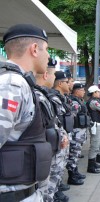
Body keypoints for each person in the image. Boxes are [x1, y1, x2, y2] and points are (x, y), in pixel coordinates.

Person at [0, 24, 52, 202]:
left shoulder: (19, 82)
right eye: (47, 49)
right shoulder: (12, 84)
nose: (49, 56)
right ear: (35, 49)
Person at [52, 71, 85, 186]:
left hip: (67, 133)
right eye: (68, 82)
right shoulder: (54, 97)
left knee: (64, 159)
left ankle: (58, 185)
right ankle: (57, 188)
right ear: (60, 83)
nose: (70, 84)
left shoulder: (65, 98)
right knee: (58, 163)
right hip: (60, 135)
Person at [87, 85, 100, 173]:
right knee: (95, 145)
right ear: (94, 93)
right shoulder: (93, 102)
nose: (99, 93)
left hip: (98, 124)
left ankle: (94, 162)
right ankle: (91, 167)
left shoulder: (96, 101)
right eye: (98, 92)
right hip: (95, 125)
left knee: (97, 143)